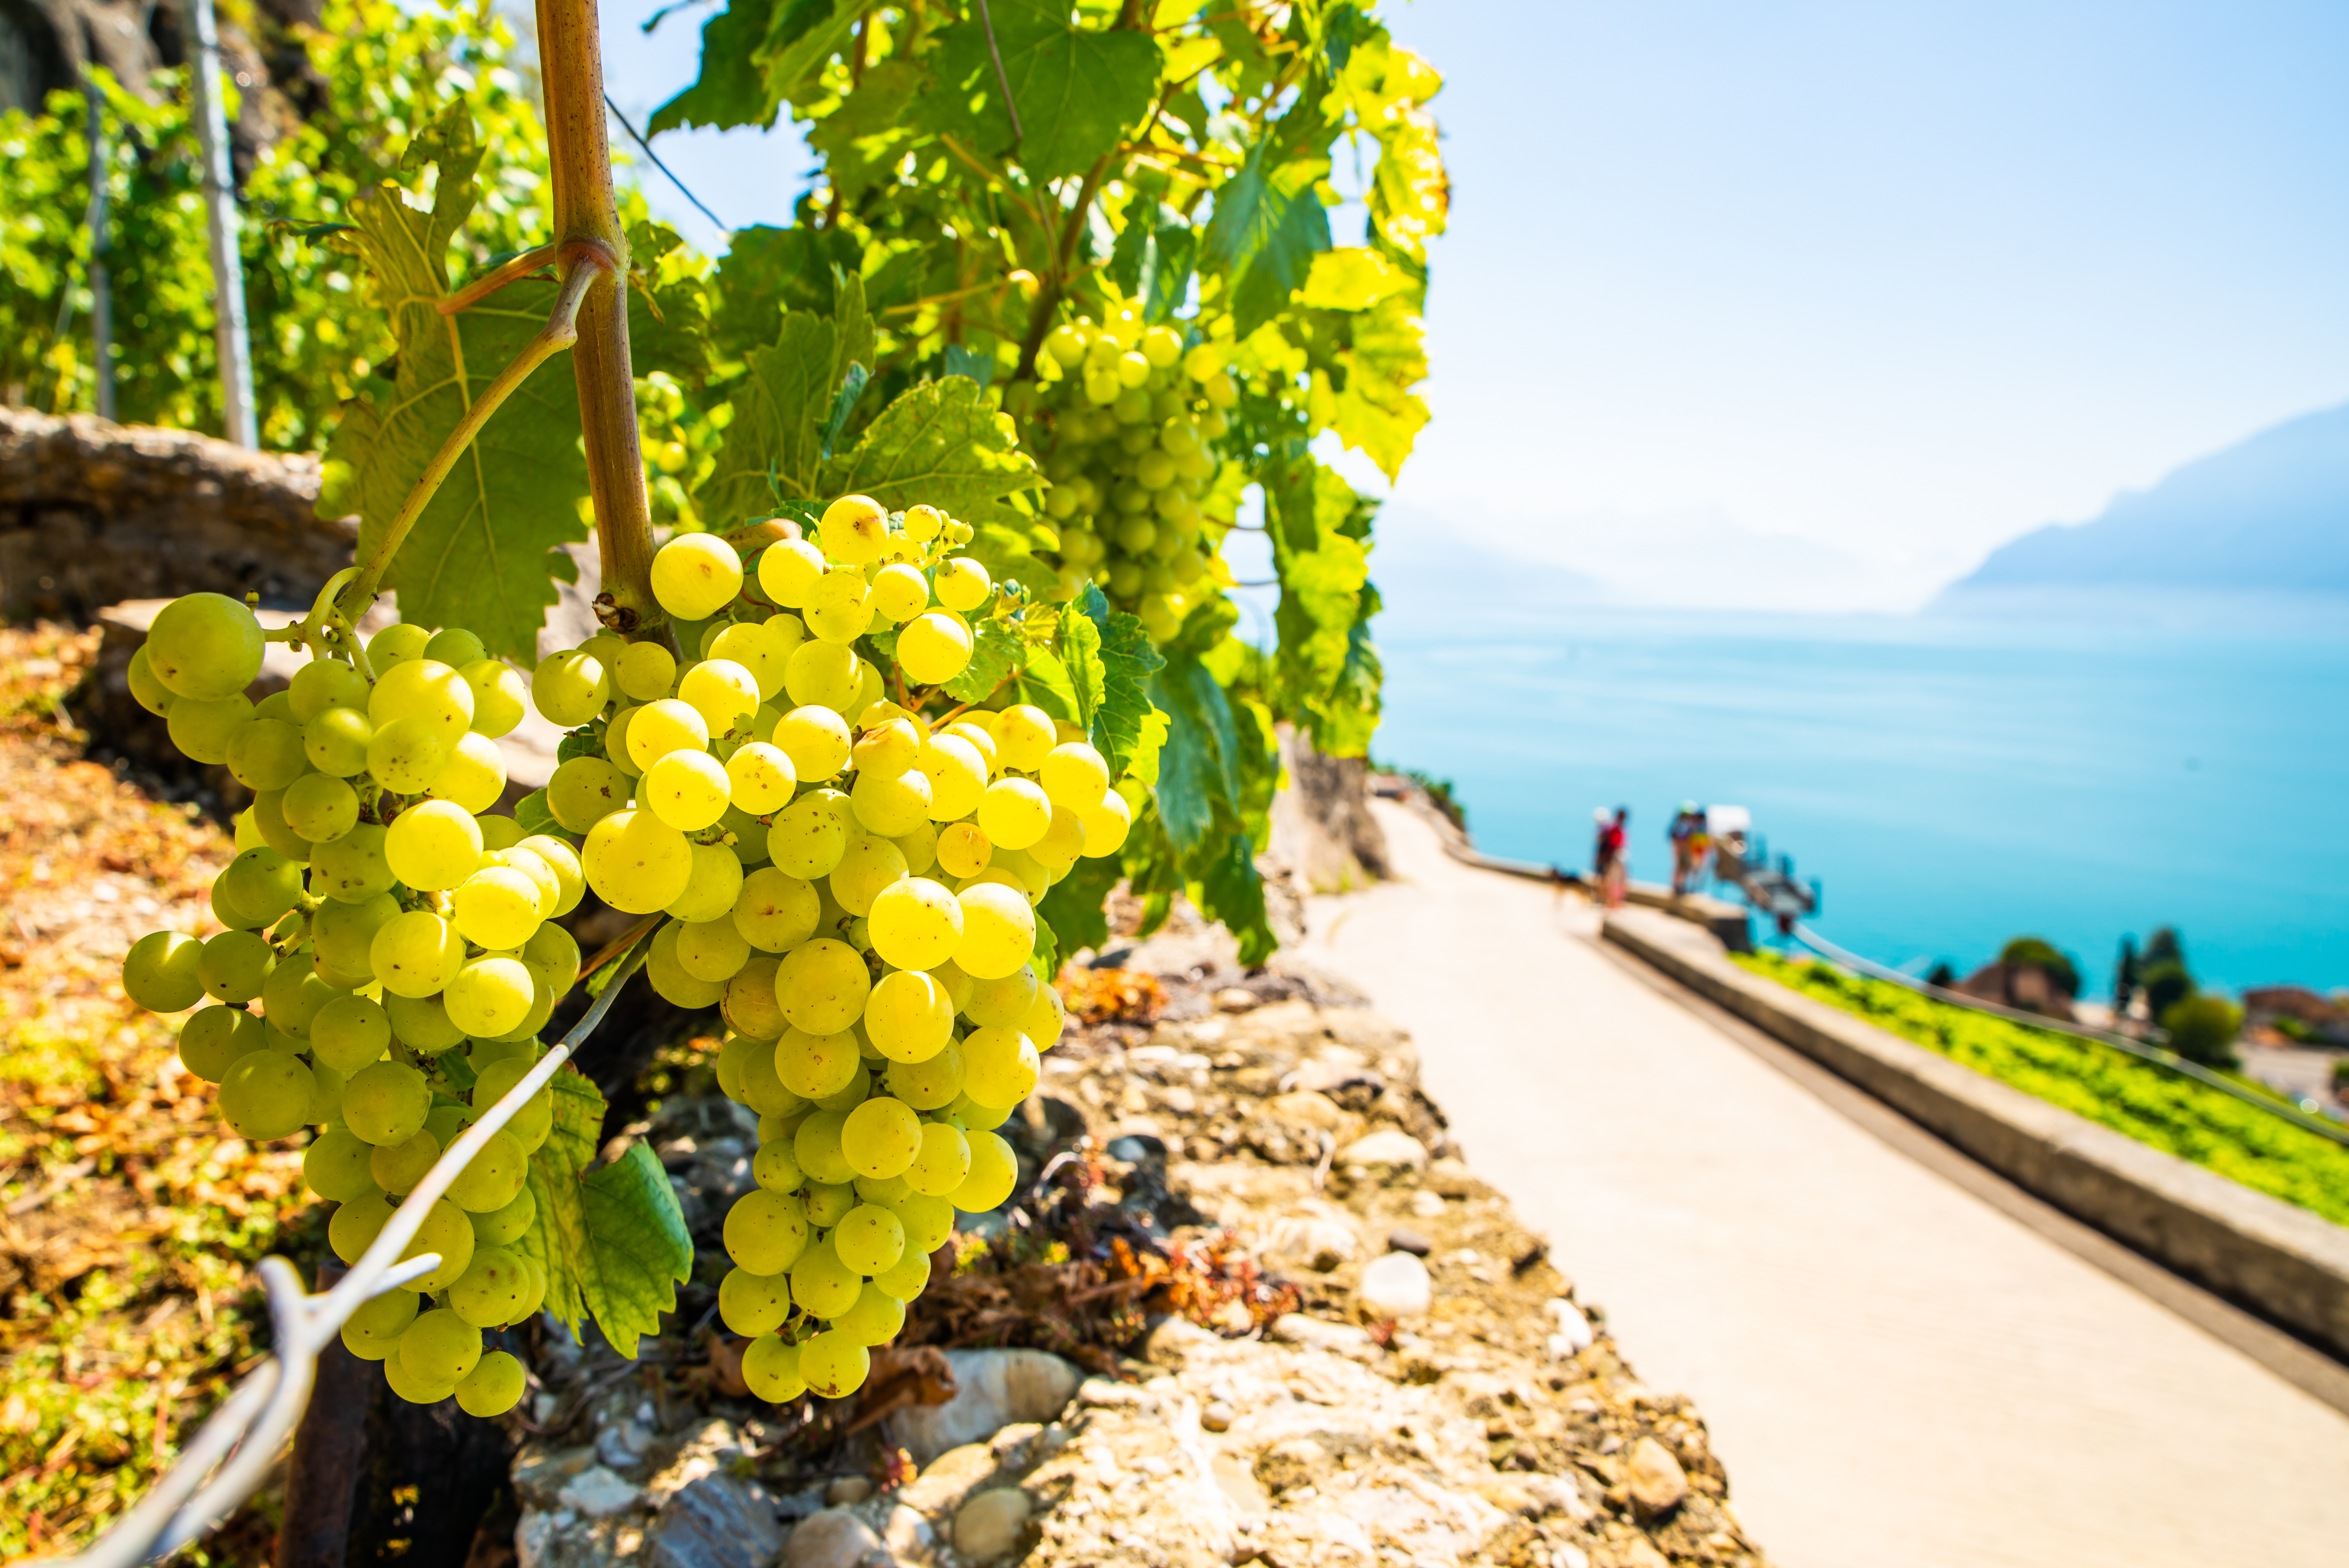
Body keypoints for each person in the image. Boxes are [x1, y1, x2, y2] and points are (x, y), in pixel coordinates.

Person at [1669, 801, 1711, 896]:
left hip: (1685, 851)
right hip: (1683, 851)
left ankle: (1680, 886)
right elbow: (1680, 840)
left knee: (1684, 869)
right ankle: (1678, 887)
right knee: (1682, 868)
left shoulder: (1683, 826)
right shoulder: (1683, 827)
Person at [1593, 806, 1629, 909]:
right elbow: (1606, 843)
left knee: (1614, 879)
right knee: (1609, 879)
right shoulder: (1613, 827)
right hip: (1611, 856)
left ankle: (1613, 901)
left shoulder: (1618, 827)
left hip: (1615, 856)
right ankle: (1607, 900)